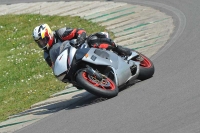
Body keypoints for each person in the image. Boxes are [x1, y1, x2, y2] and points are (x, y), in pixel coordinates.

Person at [32, 23, 132, 67]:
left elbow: (80, 31)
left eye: (43, 40)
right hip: (74, 62)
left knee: (92, 41)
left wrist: (79, 39)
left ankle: (118, 48)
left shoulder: (60, 33)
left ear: (48, 34)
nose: (42, 43)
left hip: (83, 47)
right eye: (40, 42)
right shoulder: (47, 55)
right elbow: (55, 68)